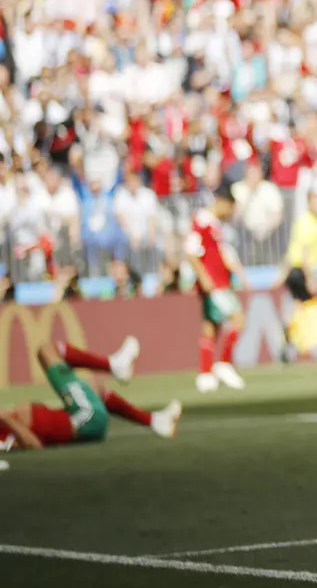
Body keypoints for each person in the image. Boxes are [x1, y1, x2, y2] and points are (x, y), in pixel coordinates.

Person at [0, 337, 181, 451]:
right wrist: (6, 418)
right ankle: (114, 365)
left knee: (94, 389)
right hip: (84, 420)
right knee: (47, 351)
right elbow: (33, 446)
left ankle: (155, 421)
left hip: (82, 418)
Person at [186, 185, 248, 393]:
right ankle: (224, 364)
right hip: (214, 283)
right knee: (238, 318)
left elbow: (219, 253)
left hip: (218, 281)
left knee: (211, 326)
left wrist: (236, 271)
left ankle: (205, 374)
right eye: (230, 208)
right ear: (222, 202)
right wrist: (203, 277)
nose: (231, 213)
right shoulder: (203, 220)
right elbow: (191, 251)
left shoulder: (213, 224)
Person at [277, 190, 317, 364]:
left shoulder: (315, 222)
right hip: (300, 270)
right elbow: (303, 253)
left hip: (298, 270)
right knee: (309, 304)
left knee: (299, 306)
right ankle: (298, 339)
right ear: (309, 202)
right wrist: (310, 278)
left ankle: (291, 340)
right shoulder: (306, 223)